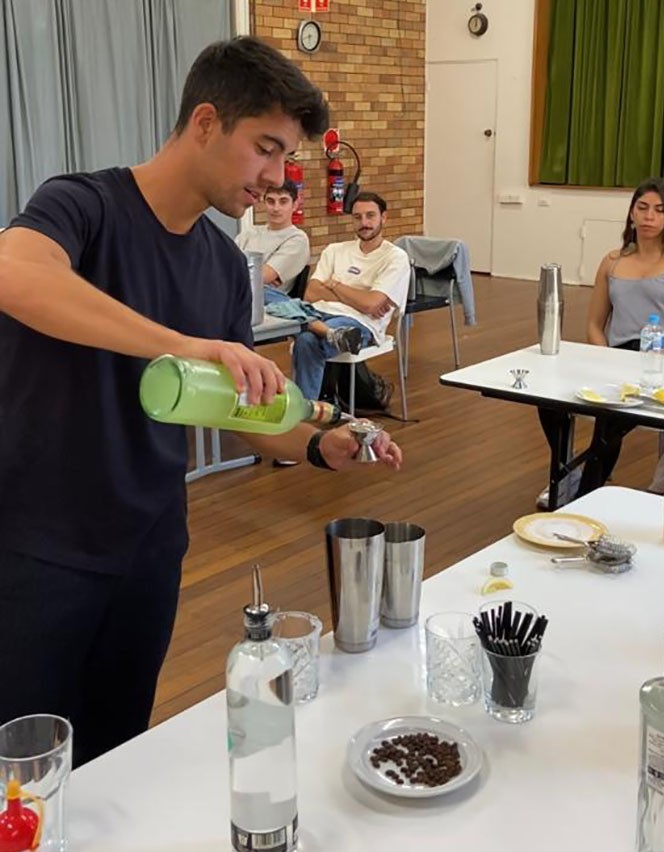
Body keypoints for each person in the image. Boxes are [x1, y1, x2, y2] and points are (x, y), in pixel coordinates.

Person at [0, 37, 402, 767]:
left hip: (148, 551)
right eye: (266, 149)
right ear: (207, 123)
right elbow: (15, 277)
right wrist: (181, 346)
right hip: (40, 550)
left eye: (287, 161)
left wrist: (316, 440)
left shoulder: (221, 263)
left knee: (117, 756)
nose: (276, 177)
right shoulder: (82, 205)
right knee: (24, 774)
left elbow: (234, 410)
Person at [537, 177, 664, 508]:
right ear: (631, 214)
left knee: (610, 420)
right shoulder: (612, 260)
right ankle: (567, 471)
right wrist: (605, 357)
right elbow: (595, 324)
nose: (649, 217)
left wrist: (658, 352)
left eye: (658, 210)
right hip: (616, 356)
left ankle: (584, 495)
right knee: (547, 398)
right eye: (642, 208)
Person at [265, 191, 410, 400]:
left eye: (370, 216)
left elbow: (370, 305)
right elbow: (311, 292)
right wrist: (359, 298)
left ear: (383, 218)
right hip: (316, 312)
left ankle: (305, 413)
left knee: (306, 341)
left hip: (357, 324)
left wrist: (336, 286)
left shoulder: (395, 257)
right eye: (358, 217)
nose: (364, 222)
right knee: (261, 292)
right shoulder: (335, 250)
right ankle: (323, 330)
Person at [234, 179, 310, 299]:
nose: (276, 208)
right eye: (270, 201)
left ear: (294, 205)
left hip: (266, 304)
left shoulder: (297, 239)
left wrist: (257, 276)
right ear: (264, 203)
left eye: (283, 202)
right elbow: (223, 266)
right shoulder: (249, 233)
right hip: (236, 295)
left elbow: (261, 278)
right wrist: (255, 274)